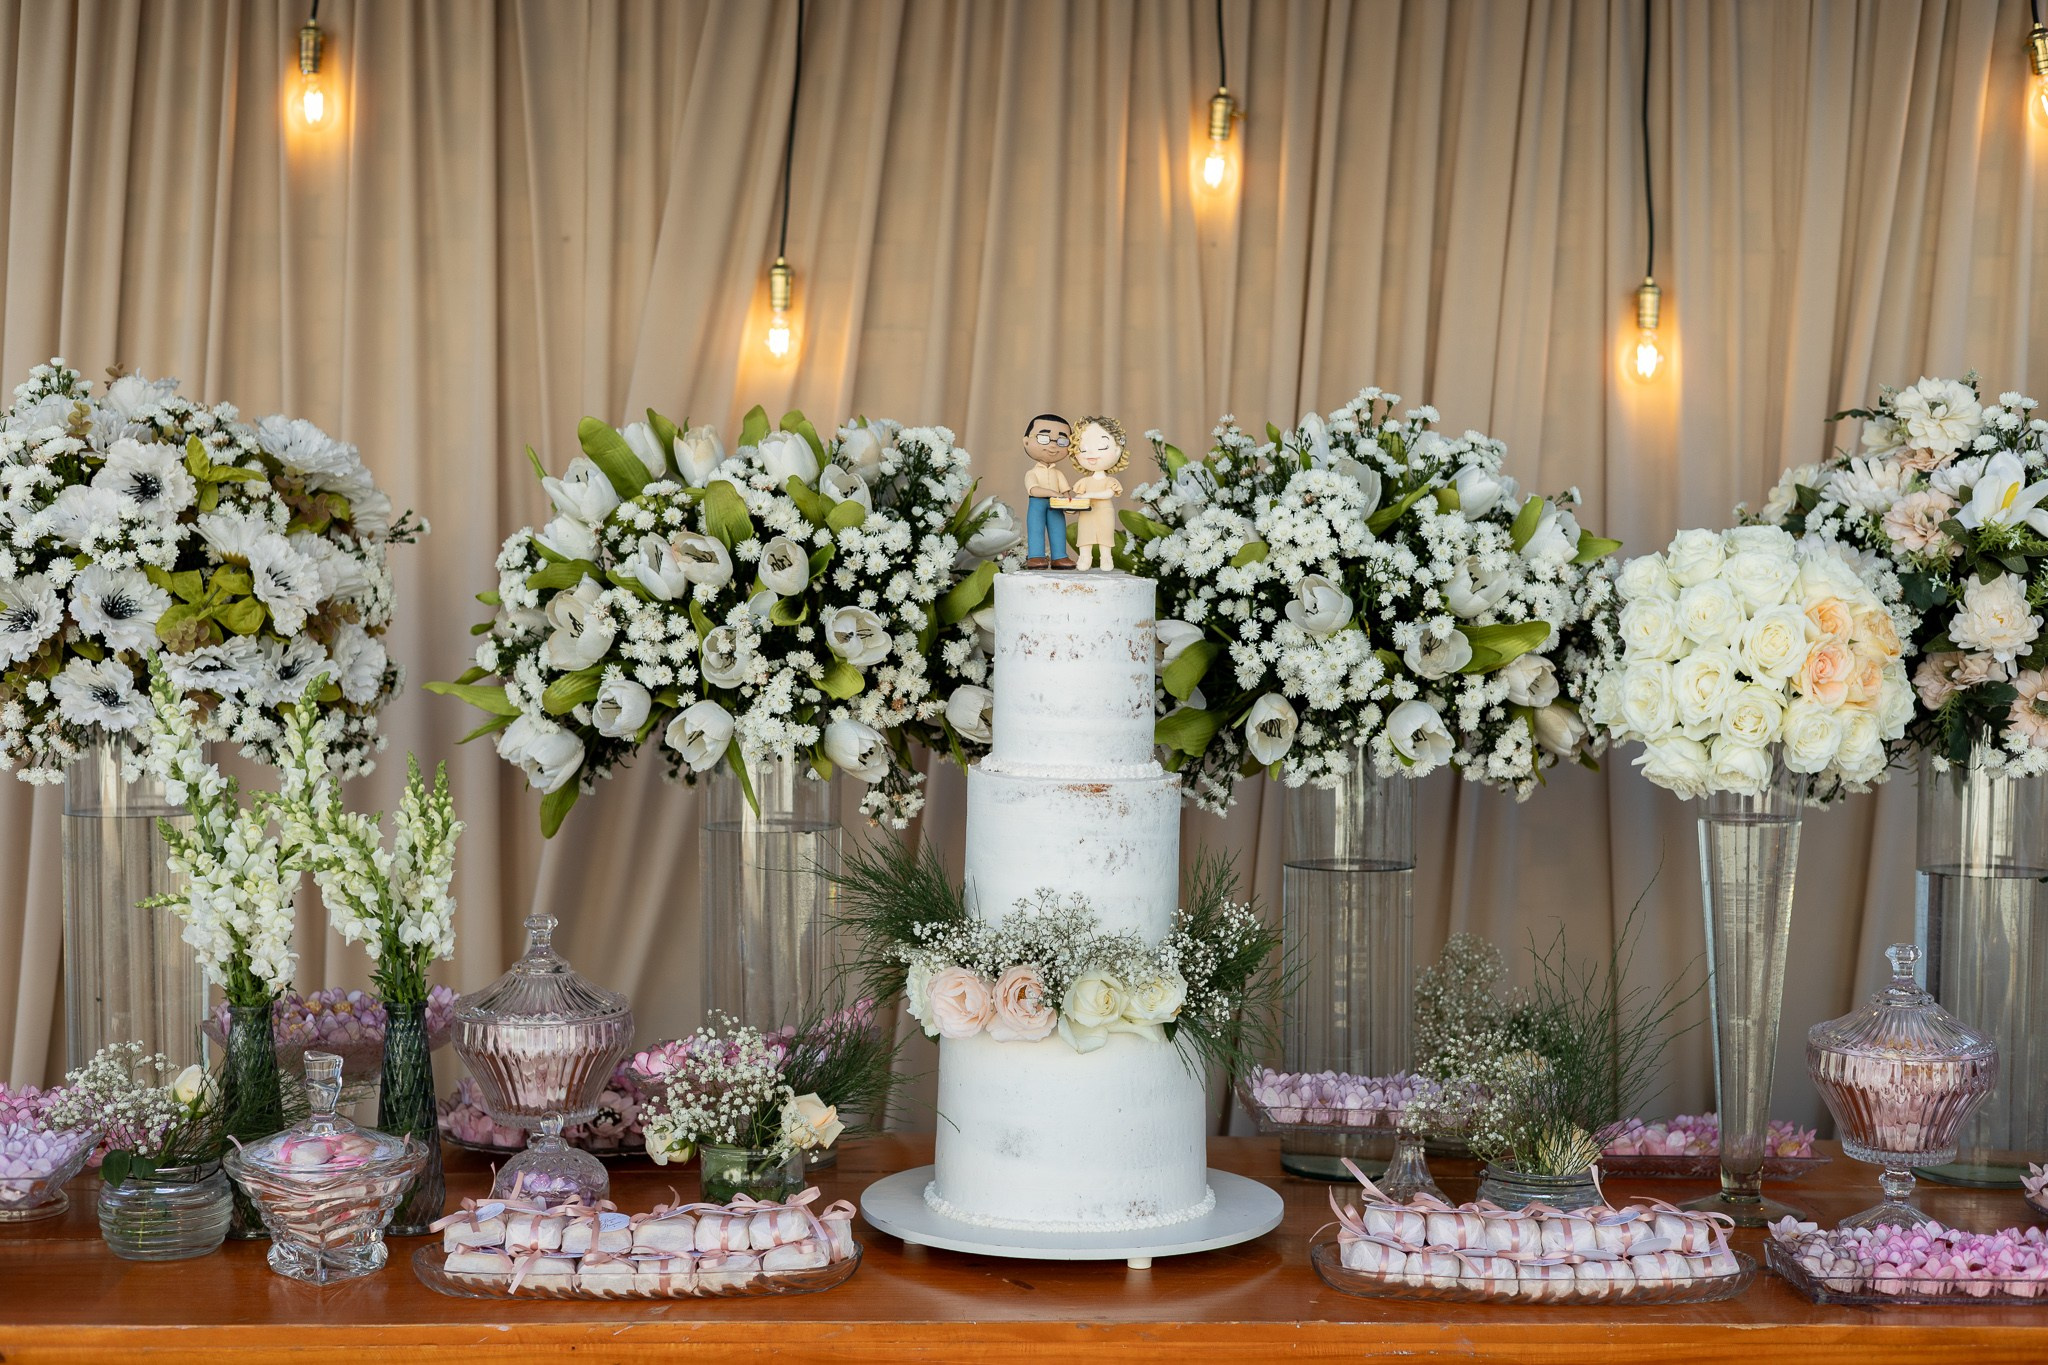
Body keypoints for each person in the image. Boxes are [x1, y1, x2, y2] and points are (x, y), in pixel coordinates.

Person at [1068, 415, 1129, 571]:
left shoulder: (1110, 481)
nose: (1091, 453)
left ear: (1117, 450)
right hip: (1086, 515)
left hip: (1104, 513)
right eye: (1083, 448)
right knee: (1085, 535)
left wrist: (1088, 496)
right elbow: (1078, 498)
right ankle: (1085, 557)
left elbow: (1108, 494)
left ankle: (1106, 557)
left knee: (1105, 535)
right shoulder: (1084, 482)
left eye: (1102, 446)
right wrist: (1072, 506)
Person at [1021, 413, 1076, 569]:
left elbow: (1065, 492)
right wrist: (1054, 494)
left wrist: (1069, 505)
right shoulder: (1031, 473)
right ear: (1026, 442)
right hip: (1037, 504)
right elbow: (1034, 490)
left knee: (1058, 529)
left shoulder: (1058, 474)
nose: (1053, 445)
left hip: (1057, 505)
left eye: (1062, 441)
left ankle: (1060, 556)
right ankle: (1036, 556)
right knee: (1036, 529)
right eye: (1044, 438)